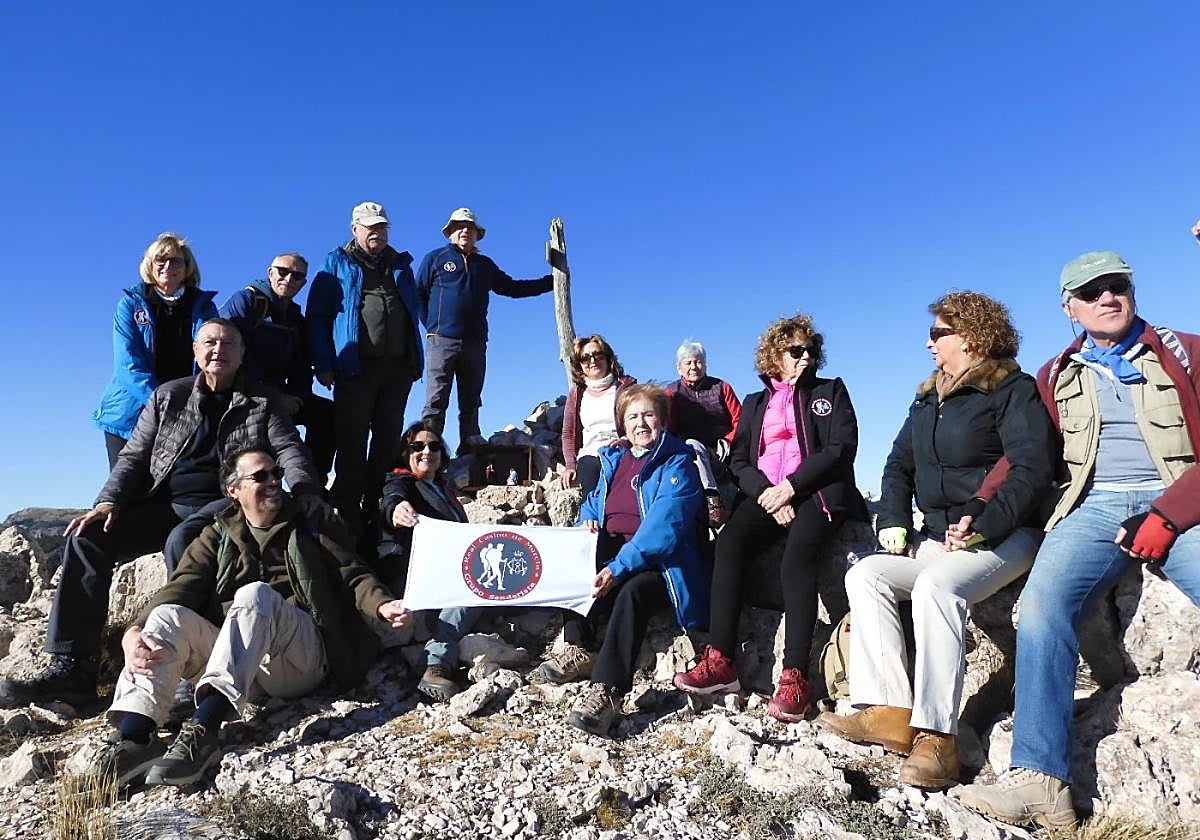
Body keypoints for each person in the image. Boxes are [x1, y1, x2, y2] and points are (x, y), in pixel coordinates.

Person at [957, 253, 1200, 829]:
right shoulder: (1055, 375)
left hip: (1180, 496)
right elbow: (1029, 455)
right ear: (1069, 308)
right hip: (1090, 507)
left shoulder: (1187, 351)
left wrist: (1168, 517)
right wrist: (982, 509)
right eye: (1091, 292)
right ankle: (1040, 780)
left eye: (1117, 286)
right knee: (1040, 607)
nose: (1107, 298)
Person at [0, 319, 323, 706]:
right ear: (196, 350)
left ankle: (187, 663)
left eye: (227, 343)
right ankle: (73, 667)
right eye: (209, 342)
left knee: (184, 539)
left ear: (242, 354)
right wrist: (107, 502)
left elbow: (289, 449)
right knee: (88, 537)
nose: (218, 349)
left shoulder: (262, 402)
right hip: (162, 501)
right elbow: (134, 456)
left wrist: (305, 490)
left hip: (223, 503)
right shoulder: (169, 396)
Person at [815, 292, 1055, 789]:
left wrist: (985, 521)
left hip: (1004, 536)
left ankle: (938, 738)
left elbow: (1032, 467)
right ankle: (890, 710)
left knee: (936, 589)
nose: (928, 343)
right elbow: (899, 463)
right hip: (938, 538)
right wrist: (895, 519)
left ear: (970, 337)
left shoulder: (1012, 390)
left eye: (938, 333)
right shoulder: (927, 398)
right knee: (867, 573)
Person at [86, 447, 409, 788]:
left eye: (276, 474)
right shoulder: (218, 532)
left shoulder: (311, 519)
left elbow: (353, 573)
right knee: (166, 617)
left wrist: (381, 605)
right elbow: (181, 586)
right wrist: (133, 631)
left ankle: (205, 730)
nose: (273, 482)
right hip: (245, 664)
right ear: (234, 490)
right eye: (260, 476)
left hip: (303, 658)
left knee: (254, 594)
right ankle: (135, 738)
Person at [673, 315, 869, 720]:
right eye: (796, 350)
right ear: (775, 354)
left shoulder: (830, 392)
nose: (806, 357)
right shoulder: (756, 402)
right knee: (729, 543)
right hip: (768, 494)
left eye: (811, 350)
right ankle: (721, 661)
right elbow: (741, 460)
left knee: (797, 555)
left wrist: (792, 488)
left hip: (817, 492)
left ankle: (796, 677)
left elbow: (840, 448)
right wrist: (766, 492)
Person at [532, 385, 708, 736]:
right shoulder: (615, 459)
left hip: (664, 565)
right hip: (619, 553)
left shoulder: (678, 463)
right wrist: (589, 518)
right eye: (632, 417)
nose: (641, 423)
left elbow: (664, 529)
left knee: (633, 594)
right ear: (622, 425)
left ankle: (608, 690)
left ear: (662, 419)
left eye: (648, 415)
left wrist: (617, 567)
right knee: (576, 559)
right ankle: (579, 647)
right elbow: (595, 500)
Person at [306, 202, 423, 532]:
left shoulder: (400, 265)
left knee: (387, 441)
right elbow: (317, 317)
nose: (377, 232)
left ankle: (377, 509)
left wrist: (415, 360)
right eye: (370, 227)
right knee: (352, 440)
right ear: (354, 229)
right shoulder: (336, 264)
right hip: (355, 367)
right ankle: (347, 512)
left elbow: (413, 310)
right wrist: (323, 364)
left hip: (397, 368)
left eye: (382, 227)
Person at [415, 208, 554, 451]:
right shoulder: (435, 258)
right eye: (459, 226)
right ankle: (429, 449)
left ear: (477, 234)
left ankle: (469, 448)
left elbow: (511, 287)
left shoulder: (484, 265)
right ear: (450, 232)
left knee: (471, 399)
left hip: (475, 341)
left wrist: (550, 282)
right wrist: (431, 326)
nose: (464, 231)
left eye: (469, 227)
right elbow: (418, 293)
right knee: (436, 399)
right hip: (442, 340)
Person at [93, 232, 217, 468]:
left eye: (176, 260)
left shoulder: (204, 308)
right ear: (150, 265)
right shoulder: (130, 304)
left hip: (187, 413)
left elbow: (213, 355)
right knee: (126, 491)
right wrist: (162, 403)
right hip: (131, 415)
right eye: (161, 259)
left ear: (188, 267)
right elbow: (128, 364)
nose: (168, 265)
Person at [377, 422, 480, 702]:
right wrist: (396, 510)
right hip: (413, 574)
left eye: (434, 446)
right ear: (405, 453)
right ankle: (435, 662)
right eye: (417, 446)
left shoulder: (444, 489)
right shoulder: (402, 481)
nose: (427, 451)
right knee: (471, 591)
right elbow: (392, 500)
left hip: (447, 569)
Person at [220, 252, 335, 485]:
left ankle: (314, 486)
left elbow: (300, 367)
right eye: (283, 271)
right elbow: (226, 353)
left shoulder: (295, 319)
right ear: (270, 272)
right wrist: (272, 397)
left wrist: (297, 397)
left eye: (297, 276)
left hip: (279, 395)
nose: (288, 279)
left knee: (327, 414)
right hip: (240, 393)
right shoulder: (247, 303)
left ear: (303, 283)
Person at [666, 339, 743, 525]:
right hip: (692, 452)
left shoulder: (722, 387)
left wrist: (728, 440)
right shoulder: (672, 392)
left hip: (723, 450)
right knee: (693, 445)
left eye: (698, 361)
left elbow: (740, 420)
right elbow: (669, 428)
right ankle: (711, 498)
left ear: (705, 364)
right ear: (679, 368)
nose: (693, 366)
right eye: (688, 362)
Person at [560, 335, 636, 496]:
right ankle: (591, 520)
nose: (592, 360)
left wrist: (626, 441)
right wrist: (570, 465)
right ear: (579, 365)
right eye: (585, 358)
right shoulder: (577, 394)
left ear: (608, 358)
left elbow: (640, 420)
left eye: (598, 355)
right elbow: (568, 434)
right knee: (591, 491)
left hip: (622, 450)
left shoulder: (626, 388)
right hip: (590, 454)